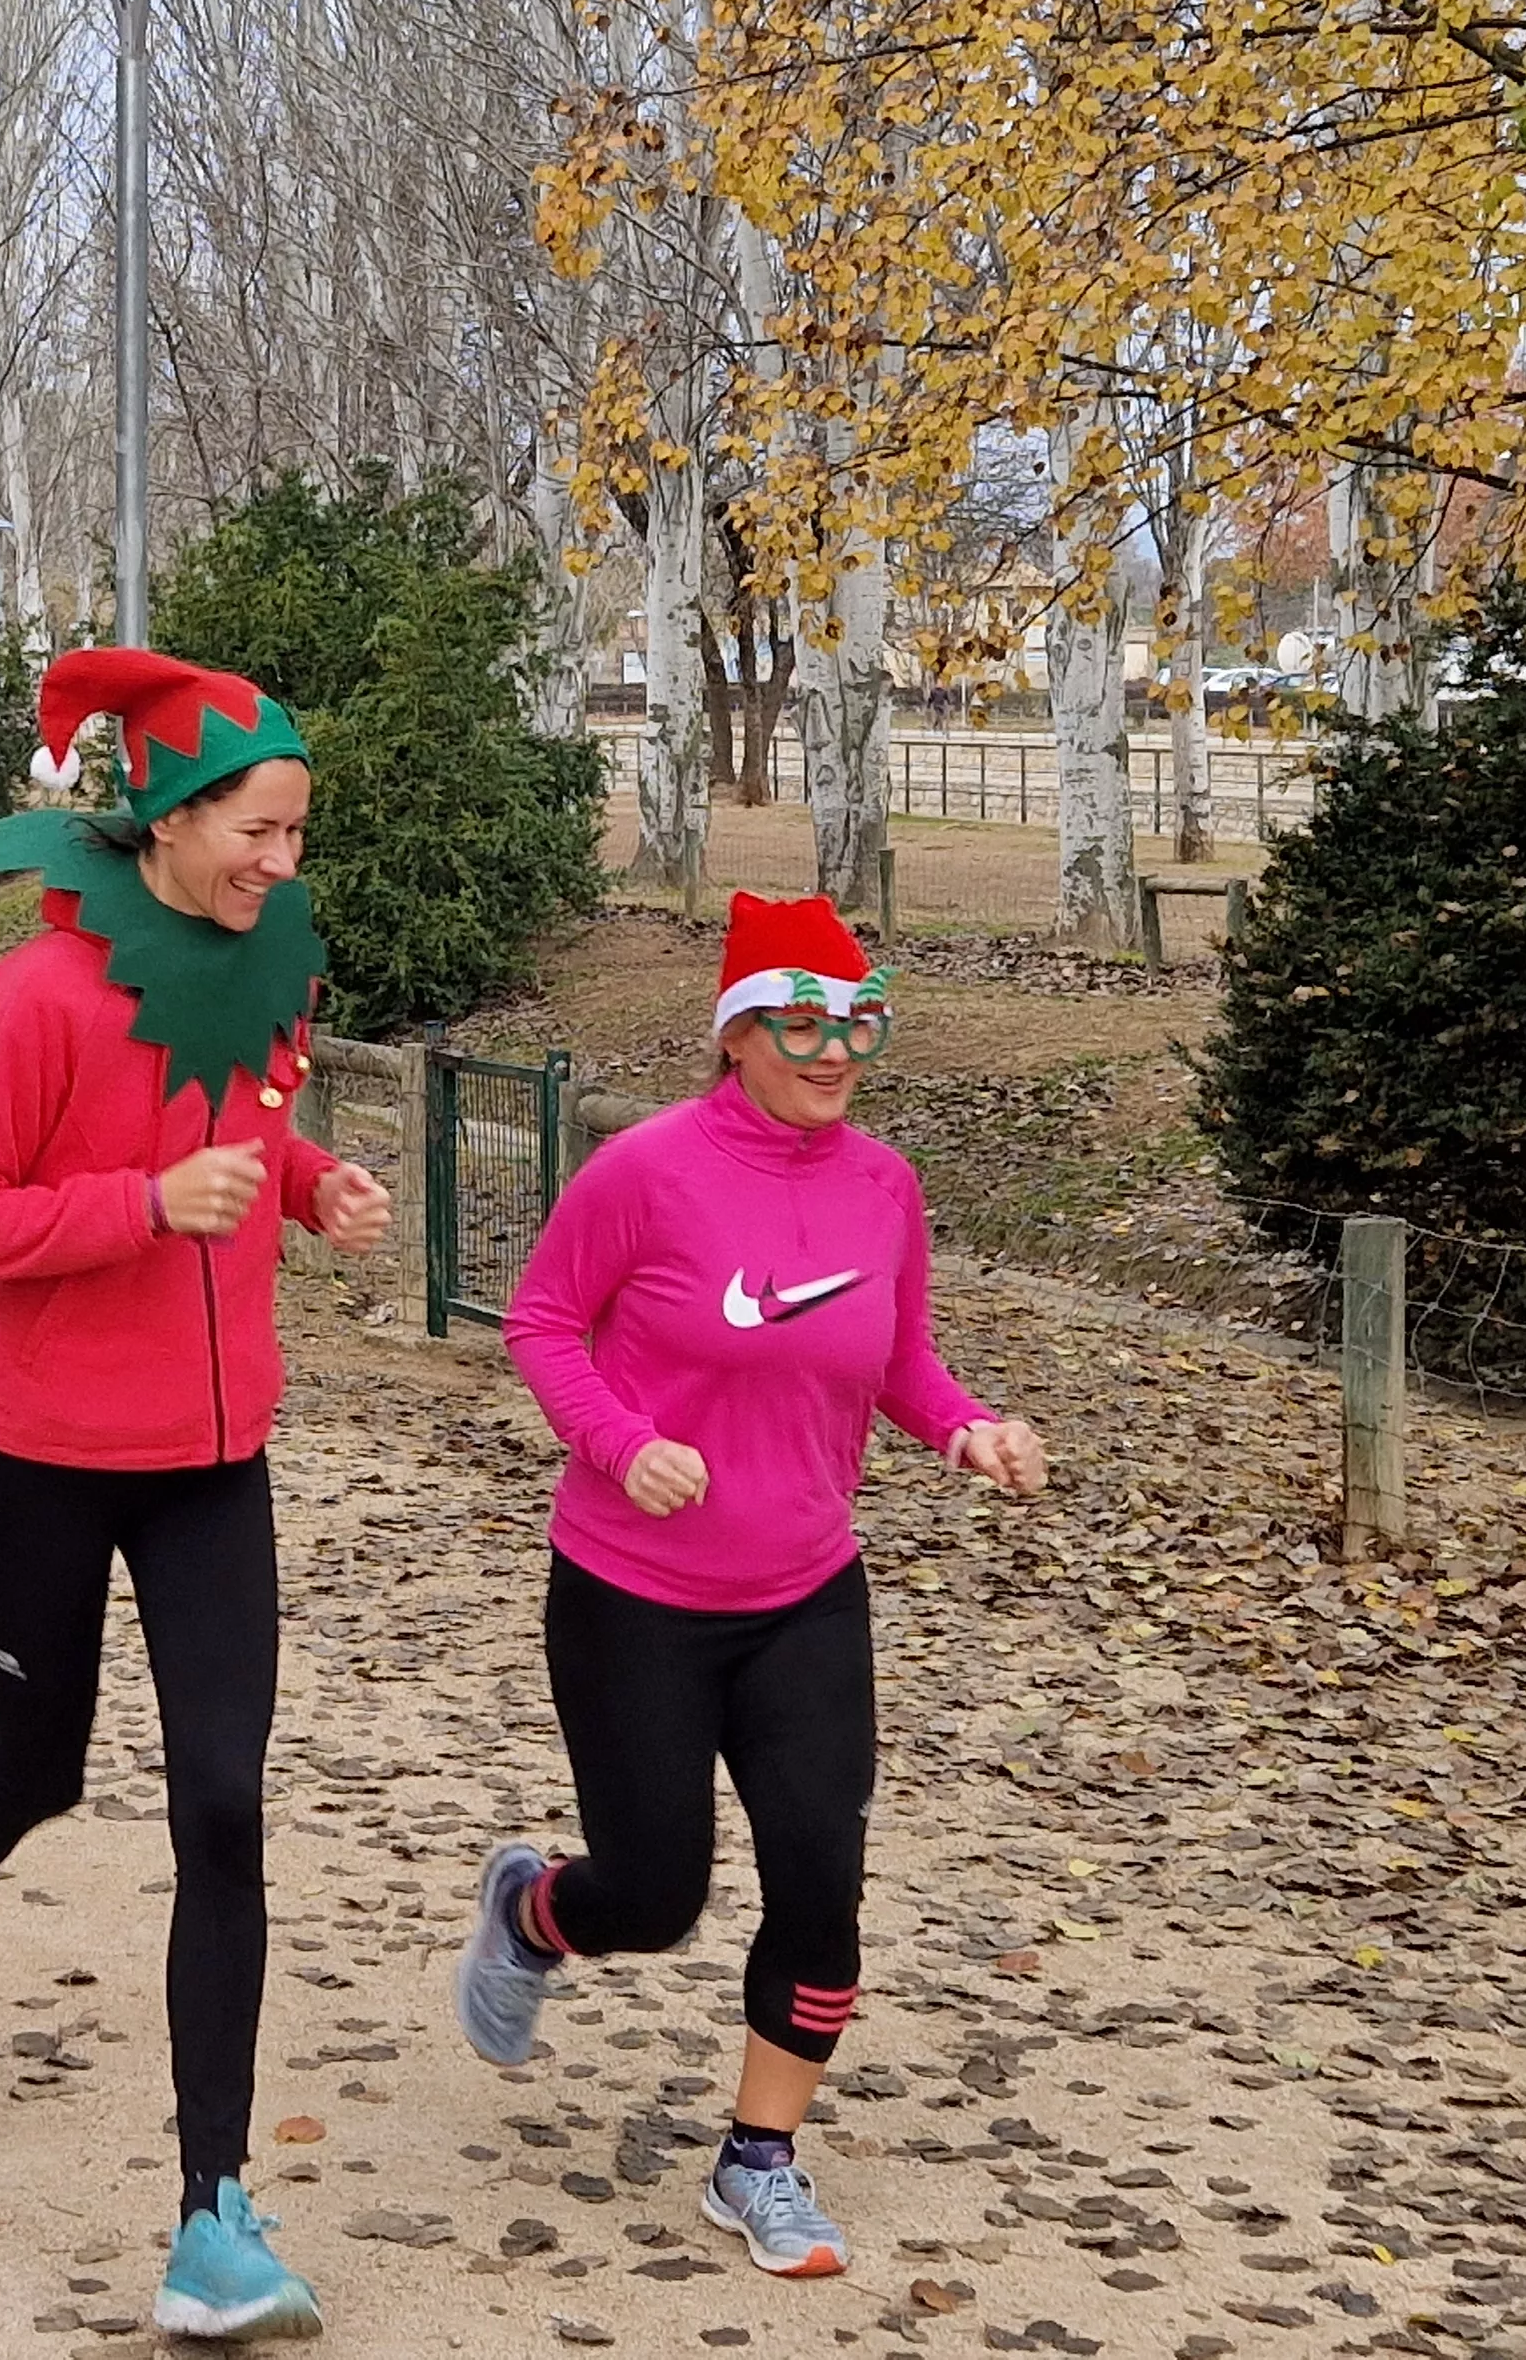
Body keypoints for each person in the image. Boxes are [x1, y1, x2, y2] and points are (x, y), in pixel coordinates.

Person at [0, 646, 392, 2345]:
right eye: (257, 830)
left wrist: (311, 1186)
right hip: (37, 1457)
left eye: (299, 838)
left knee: (224, 1807)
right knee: (42, 1764)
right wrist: (146, 1207)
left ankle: (211, 2215)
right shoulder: (40, 997)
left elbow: (252, 1137)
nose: (279, 868)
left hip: (214, 1465)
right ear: (165, 816)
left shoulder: (273, 974)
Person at [451, 892, 1048, 2280]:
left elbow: (898, 1361)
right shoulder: (647, 1172)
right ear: (737, 1033)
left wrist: (967, 1427)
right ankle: (536, 1910)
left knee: (822, 1880)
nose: (834, 1051)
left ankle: (759, 2160)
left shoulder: (883, 1184)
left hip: (804, 1593)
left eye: (858, 1024)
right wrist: (622, 1442)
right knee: (657, 1894)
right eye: (802, 1021)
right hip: (633, 1592)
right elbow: (541, 1322)